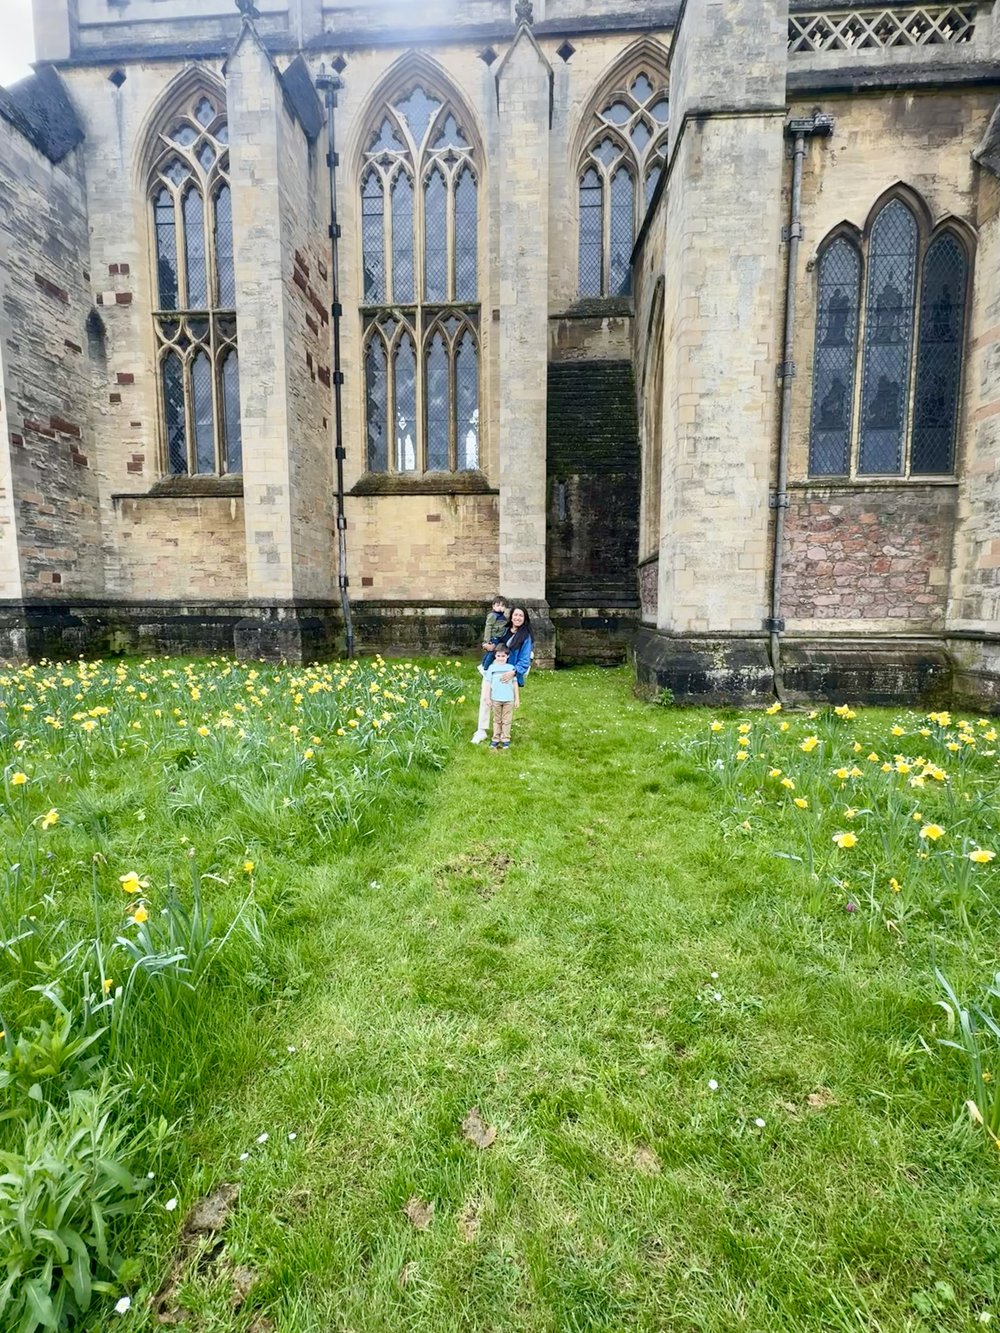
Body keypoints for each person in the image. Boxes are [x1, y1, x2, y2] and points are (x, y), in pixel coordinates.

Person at [472, 606, 533, 744]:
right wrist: (486, 645)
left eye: (521, 616)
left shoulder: (525, 637)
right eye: (516, 615)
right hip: (493, 669)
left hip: (508, 672)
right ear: (511, 616)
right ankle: (481, 730)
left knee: (504, 703)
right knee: (485, 697)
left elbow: (524, 660)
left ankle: (503, 734)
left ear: (524, 619)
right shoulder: (503, 629)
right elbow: (492, 642)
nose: (518, 618)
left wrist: (513, 672)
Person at [485, 644, 519, 750]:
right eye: (498, 656)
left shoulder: (511, 668)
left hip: (509, 699)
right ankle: (495, 739)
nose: (500, 658)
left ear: (507, 656)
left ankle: (505, 739)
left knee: (506, 720)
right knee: (497, 720)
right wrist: (487, 697)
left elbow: (515, 684)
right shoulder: (491, 668)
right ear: (495, 656)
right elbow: (488, 683)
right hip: (496, 699)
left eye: (503, 656)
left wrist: (517, 699)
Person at [479, 594, 510, 674]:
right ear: (493, 606)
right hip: (494, 637)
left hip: (500, 637)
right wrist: (487, 640)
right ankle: (486, 667)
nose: (500, 607)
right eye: (498, 605)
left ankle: (483, 665)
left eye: (502, 606)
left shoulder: (503, 616)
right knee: (492, 652)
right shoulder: (493, 615)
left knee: (490, 653)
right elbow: (488, 627)